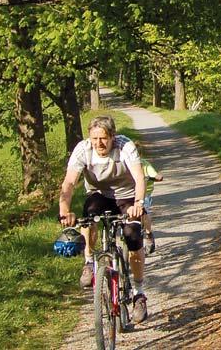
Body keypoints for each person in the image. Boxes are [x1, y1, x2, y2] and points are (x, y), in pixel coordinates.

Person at [59, 115, 149, 324]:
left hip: (126, 196)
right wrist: (65, 210)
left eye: (104, 138)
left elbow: (139, 177)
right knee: (89, 215)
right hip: (99, 194)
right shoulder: (83, 149)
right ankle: (89, 261)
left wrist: (139, 205)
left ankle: (138, 293)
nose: (99, 143)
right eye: (94, 139)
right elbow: (69, 183)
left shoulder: (125, 146)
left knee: (132, 236)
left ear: (113, 137)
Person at [140, 157, 163, 254]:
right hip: (129, 193)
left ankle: (148, 233)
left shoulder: (145, 164)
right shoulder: (124, 162)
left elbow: (155, 174)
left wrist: (156, 176)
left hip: (145, 193)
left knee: (145, 209)